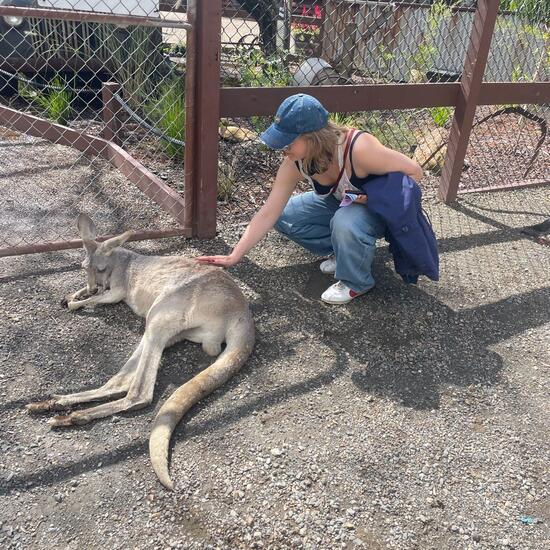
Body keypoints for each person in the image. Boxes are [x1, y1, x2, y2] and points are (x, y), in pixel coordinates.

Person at [197, 93, 426, 304]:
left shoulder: (359, 149)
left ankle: (357, 281)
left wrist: (374, 199)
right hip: (344, 203)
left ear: (314, 137)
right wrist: (234, 255)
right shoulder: (295, 161)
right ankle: (345, 254)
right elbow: (270, 211)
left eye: (288, 142)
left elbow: (415, 172)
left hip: (378, 210)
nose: (283, 149)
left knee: (345, 222)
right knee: (287, 216)